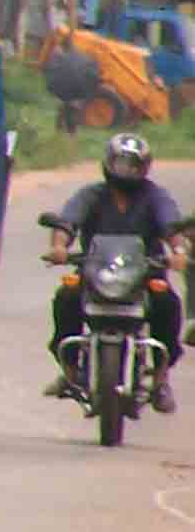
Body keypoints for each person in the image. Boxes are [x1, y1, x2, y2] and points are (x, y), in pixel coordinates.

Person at [47, 132, 182, 413]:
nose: (126, 171)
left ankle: (160, 379)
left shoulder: (155, 196)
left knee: (167, 303)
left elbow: (171, 225)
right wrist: (59, 246)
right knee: (66, 297)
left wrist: (178, 251)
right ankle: (70, 371)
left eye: (133, 166)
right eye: (121, 164)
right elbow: (68, 222)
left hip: (145, 274)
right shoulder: (91, 195)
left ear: (144, 168)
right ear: (108, 163)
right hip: (94, 272)